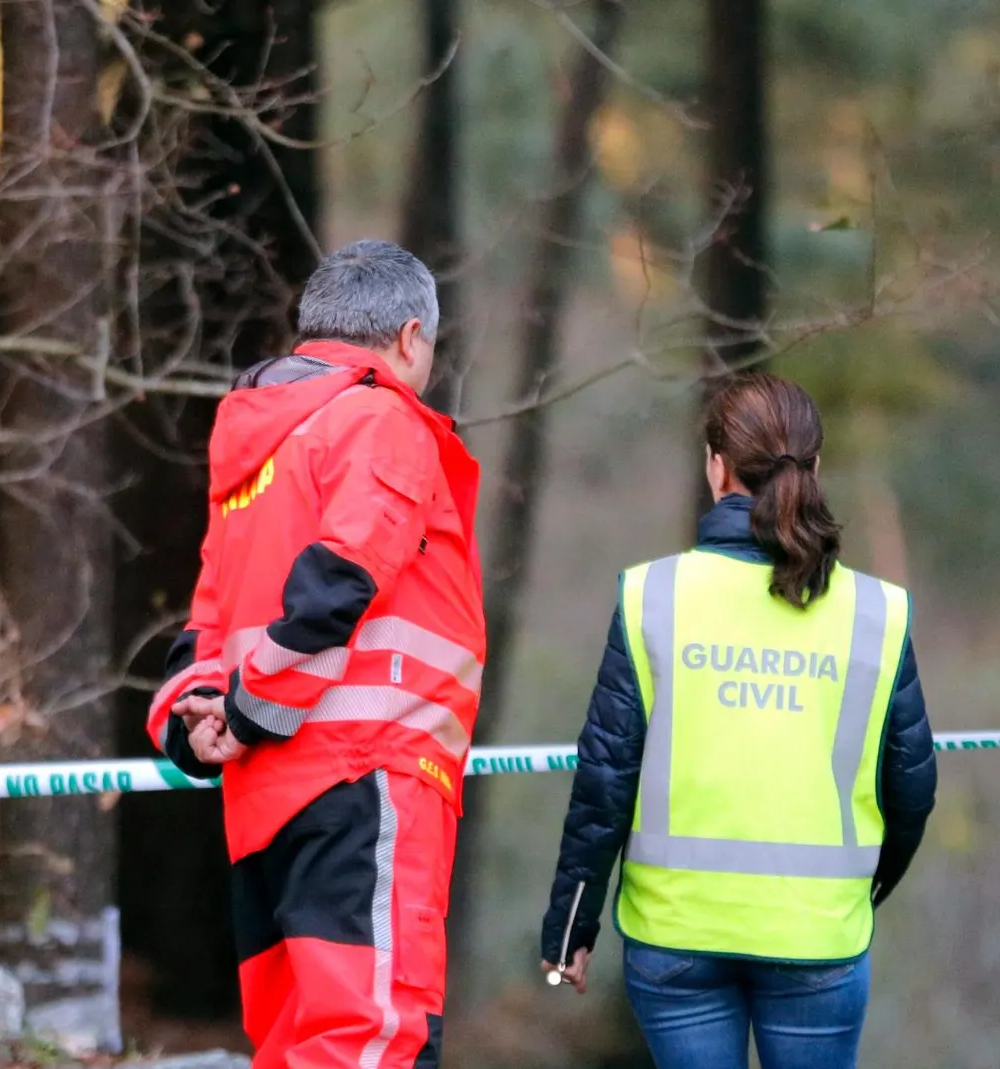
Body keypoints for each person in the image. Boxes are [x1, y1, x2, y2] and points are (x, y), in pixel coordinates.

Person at [145, 240, 483, 1069]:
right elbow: (339, 585)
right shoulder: (381, 419)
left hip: (267, 800)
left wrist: (201, 722)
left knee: (297, 1041)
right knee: (372, 1036)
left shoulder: (256, 447)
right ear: (410, 338)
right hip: (365, 778)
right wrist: (249, 708)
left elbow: (206, 624)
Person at [537, 372, 936, 1069]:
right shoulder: (876, 613)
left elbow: (604, 780)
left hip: (674, 936)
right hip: (817, 938)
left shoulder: (651, 596)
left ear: (715, 467)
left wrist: (571, 925)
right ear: (815, 467)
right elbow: (912, 788)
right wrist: (864, 888)